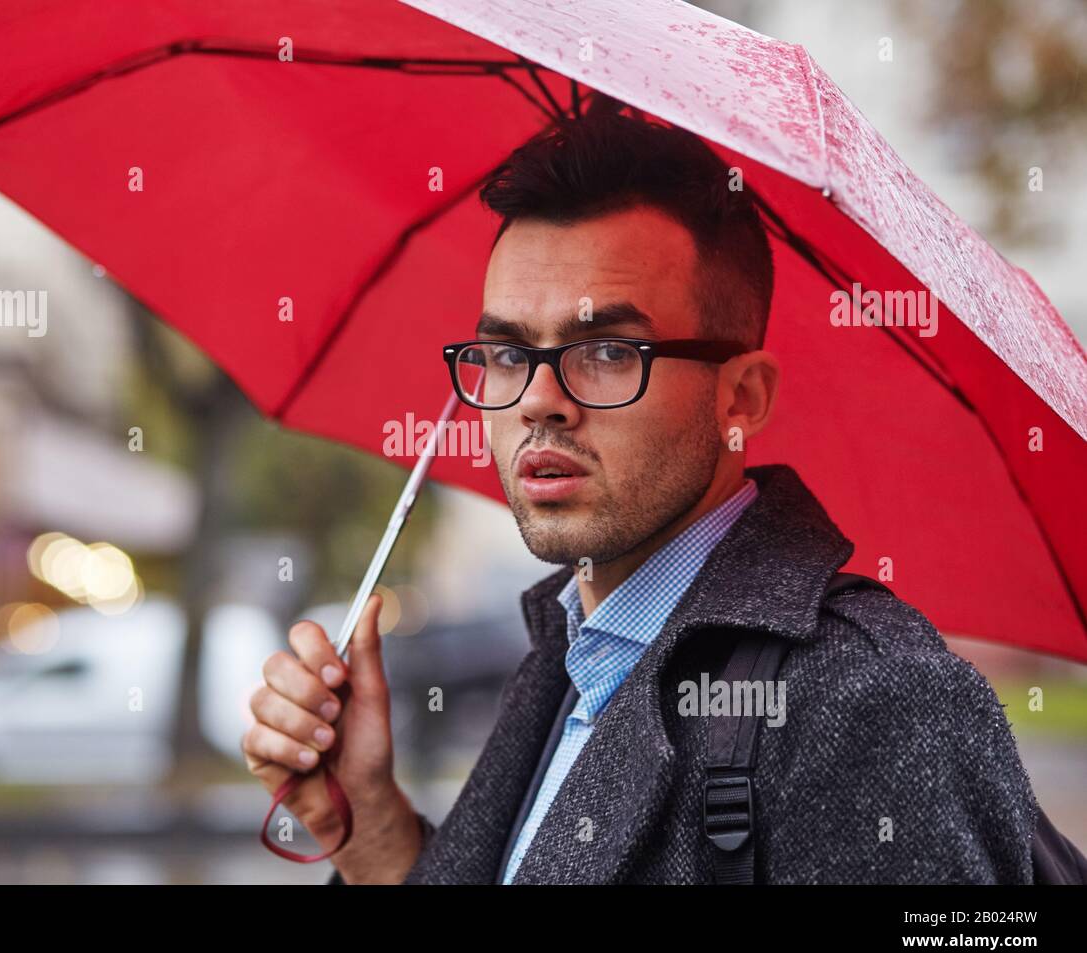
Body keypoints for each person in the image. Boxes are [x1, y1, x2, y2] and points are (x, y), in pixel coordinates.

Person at [241, 101, 1038, 884]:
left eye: (609, 351)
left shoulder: (873, 704)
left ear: (742, 398)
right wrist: (371, 822)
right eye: (508, 352)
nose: (538, 401)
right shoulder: (566, 656)